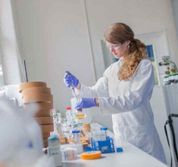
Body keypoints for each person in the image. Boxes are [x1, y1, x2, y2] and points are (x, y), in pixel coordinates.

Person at [64, 22, 166, 163]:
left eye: (115, 45)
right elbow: (95, 92)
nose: (111, 51)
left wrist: (97, 102)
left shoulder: (144, 66)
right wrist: (78, 86)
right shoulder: (112, 70)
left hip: (141, 134)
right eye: (109, 46)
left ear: (128, 42)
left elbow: (133, 99)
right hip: (121, 134)